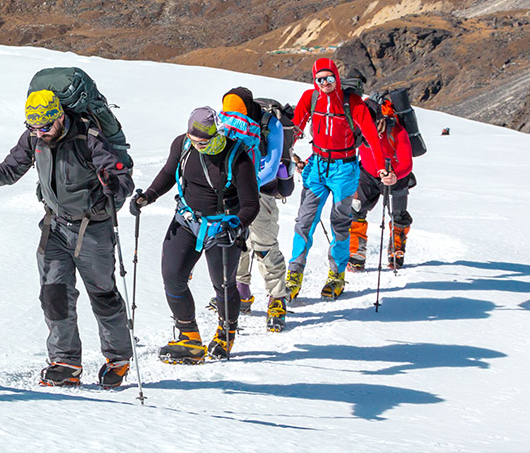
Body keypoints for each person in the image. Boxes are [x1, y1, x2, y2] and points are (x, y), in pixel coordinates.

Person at [0, 89, 134, 388]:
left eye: (45, 127)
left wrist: (114, 185)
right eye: (33, 127)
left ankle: (118, 358)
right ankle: (65, 362)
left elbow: (122, 179)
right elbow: (10, 170)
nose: (39, 133)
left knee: (103, 295)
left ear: (60, 117)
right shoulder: (33, 139)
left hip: (92, 228)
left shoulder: (88, 137)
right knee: (54, 295)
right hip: (55, 227)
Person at [132, 107, 258, 364]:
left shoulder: (237, 157)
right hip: (187, 220)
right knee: (172, 276)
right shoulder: (183, 144)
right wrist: (148, 197)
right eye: (193, 140)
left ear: (216, 135)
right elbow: (168, 173)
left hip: (222, 227)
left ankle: (226, 333)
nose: (198, 146)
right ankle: (189, 337)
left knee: (223, 284)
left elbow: (251, 204)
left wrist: (236, 226)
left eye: (203, 142)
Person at [287, 59, 390, 300]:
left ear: (336, 77)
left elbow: (371, 137)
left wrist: (381, 168)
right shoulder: (310, 98)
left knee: (340, 222)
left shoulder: (352, 102)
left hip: (344, 169)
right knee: (304, 222)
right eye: (320, 79)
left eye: (329, 78)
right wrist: (284, 154)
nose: (325, 83)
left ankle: (336, 276)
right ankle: (294, 275)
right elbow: (295, 129)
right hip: (317, 165)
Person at [220, 88, 294, 333]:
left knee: (264, 246)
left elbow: (271, 167)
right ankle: (241, 292)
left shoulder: (270, 125)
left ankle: (277, 298)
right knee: (235, 242)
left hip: (261, 192)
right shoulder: (224, 120)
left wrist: (246, 184)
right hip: (233, 191)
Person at [350, 95, 416, 270]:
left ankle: (396, 252)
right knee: (356, 210)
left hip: (395, 176)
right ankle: (356, 254)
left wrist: (395, 175)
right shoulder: (358, 131)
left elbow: (407, 163)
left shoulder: (397, 131)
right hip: (368, 175)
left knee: (398, 215)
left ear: (382, 119)